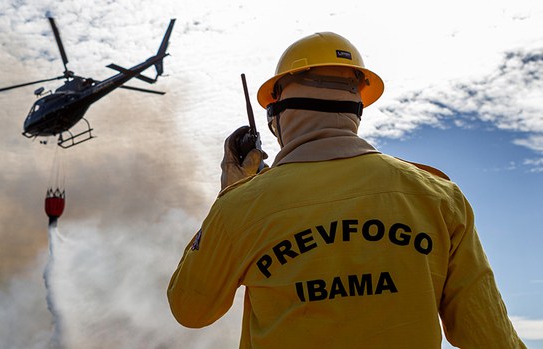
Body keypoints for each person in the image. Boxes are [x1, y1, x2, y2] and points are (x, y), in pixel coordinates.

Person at [167, 32, 526, 348]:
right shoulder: (439, 197)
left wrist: (230, 195)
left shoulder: (241, 205)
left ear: (278, 116)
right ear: (357, 108)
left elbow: (190, 309)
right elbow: (488, 336)